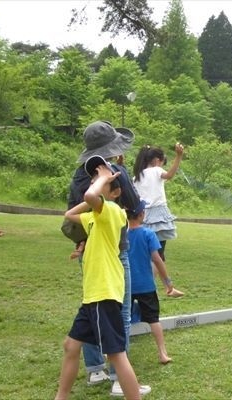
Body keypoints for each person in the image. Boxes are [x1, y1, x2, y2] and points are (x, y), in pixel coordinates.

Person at [65, 121, 150, 396]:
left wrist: (98, 184)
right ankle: (117, 379)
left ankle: (98, 371)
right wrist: (106, 178)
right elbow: (134, 205)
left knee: (109, 332)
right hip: (104, 270)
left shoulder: (100, 196)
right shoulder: (111, 179)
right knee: (118, 321)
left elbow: (78, 207)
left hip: (100, 269)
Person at [126, 200, 179, 365]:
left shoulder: (122, 235)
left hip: (125, 286)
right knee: (154, 320)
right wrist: (168, 284)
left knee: (122, 319)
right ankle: (162, 353)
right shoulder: (149, 234)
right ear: (142, 214)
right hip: (146, 286)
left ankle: (113, 352)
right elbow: (157, 260)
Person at [133, 143, 184, 264]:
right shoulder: (156, 170)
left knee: (145, 252)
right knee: (159, 254)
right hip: (157, 216)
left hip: (141, 216)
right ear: (157, 161)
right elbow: (169, 175)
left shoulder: (136, 177)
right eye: (162, 163)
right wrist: (178, 156)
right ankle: (156, 278)